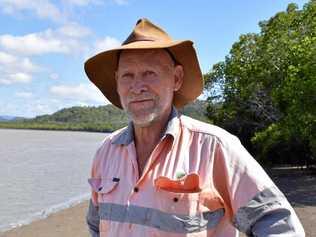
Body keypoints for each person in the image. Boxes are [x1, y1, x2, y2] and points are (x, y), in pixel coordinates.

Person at [84, 18, 305, 237]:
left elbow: (279, 225)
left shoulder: (214, 147)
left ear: (176, 78)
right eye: (127, 76)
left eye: (149, 73)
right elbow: (96, 226)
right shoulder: (107, 150)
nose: (137, 87)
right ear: (117, 82)